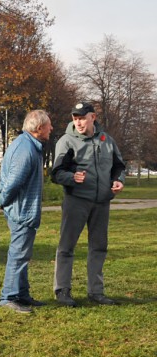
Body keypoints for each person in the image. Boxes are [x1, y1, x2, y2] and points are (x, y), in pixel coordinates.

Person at [51, 102, 126, 307]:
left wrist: (119, 181)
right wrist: (72, 177)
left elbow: (119, 167)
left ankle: (96, 291)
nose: (78, 122)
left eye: (82, 118)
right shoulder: (66, 141)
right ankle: (62, 290)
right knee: (66, 247)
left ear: (93, 117)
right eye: (75, 118)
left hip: (102, 203)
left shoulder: (107, 140)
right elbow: (56, 173)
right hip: (76, 201)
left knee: (99, 247)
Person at [0, 110, 53, 313]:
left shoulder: (25, 145)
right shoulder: (26, 148)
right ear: (39, 128)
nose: (51, 129)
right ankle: (8, 297)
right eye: (49, 125)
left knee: (22, 255)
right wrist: (2, 198)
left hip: (21, 210)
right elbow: (14, 180)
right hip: (22, 211)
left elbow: (6, 177)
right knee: (18, 255)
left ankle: (21, 294)